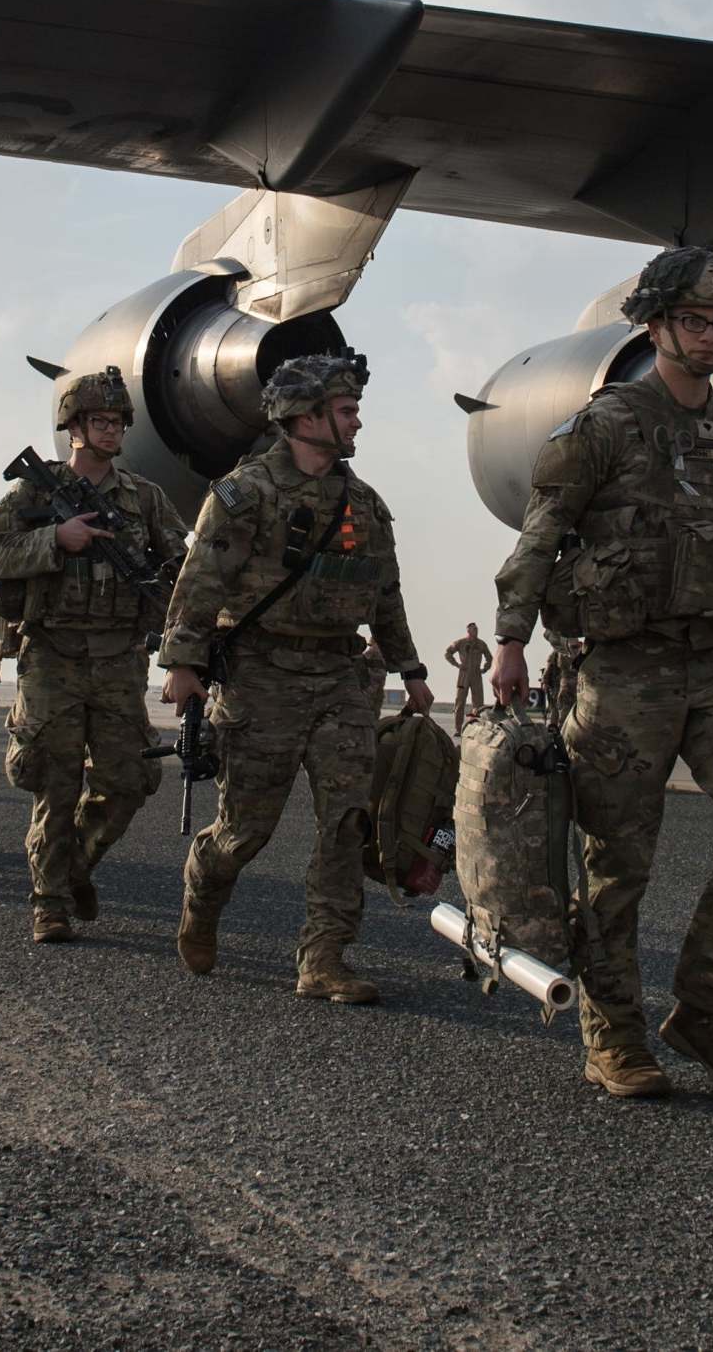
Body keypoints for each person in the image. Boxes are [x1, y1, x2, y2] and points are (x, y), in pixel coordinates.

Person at [490, 247, 713, 1099]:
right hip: (625, 670)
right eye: (695, 322)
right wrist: (509, 639)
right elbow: (540, 534)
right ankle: (615, 1034)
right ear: (655, 322)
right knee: (617, 860)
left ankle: (704, 1009)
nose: (711, 338)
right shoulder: (602, 427)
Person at [161, 352, 431, 1004]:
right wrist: (184, 662)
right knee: (245, 829)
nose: (357, 421)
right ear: (305, 418)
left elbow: (385, 594)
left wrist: (412, 669)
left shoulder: (363, 505)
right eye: (345, 410)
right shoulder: (244, 493)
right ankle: (204, 884)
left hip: (341, 676)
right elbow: (201, 581)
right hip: (259, 674)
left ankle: (324, 957)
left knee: (347, 820)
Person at [0, 369, 190, 944]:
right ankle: (48, 902)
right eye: (99, 420)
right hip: (53, 654)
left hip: (121, 657)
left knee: (131, 778)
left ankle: (75, 866)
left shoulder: (144, 497)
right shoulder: (33, 492)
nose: (111, 429)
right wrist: (56, 539)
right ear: (72, 427)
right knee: (55, 780)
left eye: (119, 421)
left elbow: (182, 570)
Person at [443, 623, 493, 731]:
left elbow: (490, 658)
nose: (476, 631)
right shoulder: (460, 642)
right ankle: (458, 729)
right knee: (460, 703)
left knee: (479, 704)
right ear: (468, 631)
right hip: (463, 675)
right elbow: (447, 653)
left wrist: (485, 668)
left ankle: (478, 729)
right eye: (473, 629)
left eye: (477, 629)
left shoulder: (481, 644)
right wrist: (457, 664)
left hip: (476, 675)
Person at [361, 636, 391, 718]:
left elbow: (362, 659)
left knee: (368, 704)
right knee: (376, 706)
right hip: (380, 681)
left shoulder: (374, 649)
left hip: (372, 682)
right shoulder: (385, 651)